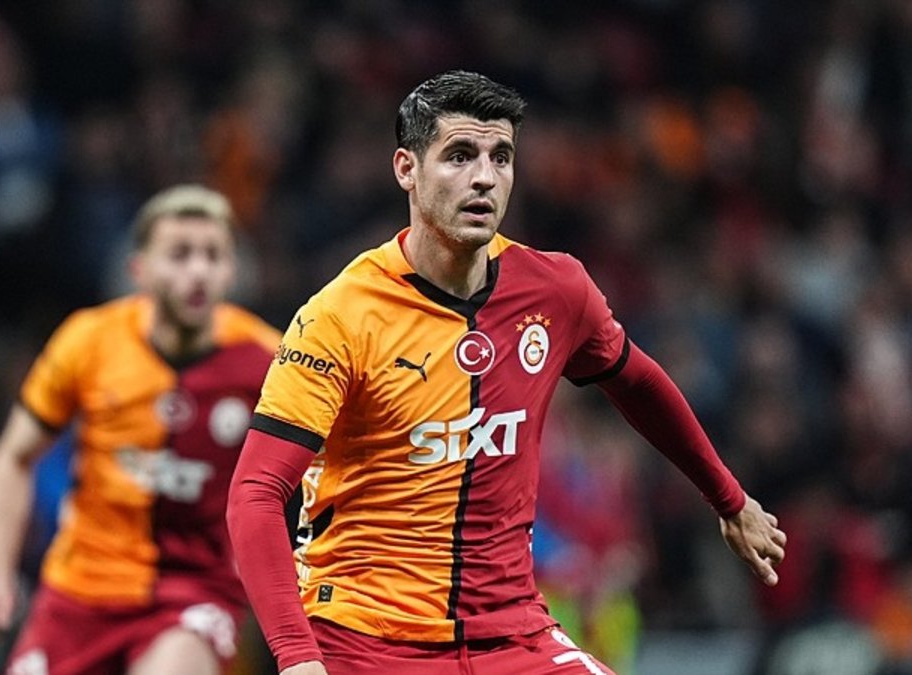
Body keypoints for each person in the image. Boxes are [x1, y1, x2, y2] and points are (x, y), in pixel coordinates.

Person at [225, 70, 787, 675]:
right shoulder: (339, 317)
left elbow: (639, 384)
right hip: (366, 639)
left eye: (501, 157)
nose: (484, 177)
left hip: (513, 635)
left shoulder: (555, 289)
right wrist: (297, 658)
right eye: (460, 155)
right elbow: (255, 493)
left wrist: (730, 501)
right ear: (406, 169)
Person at [0, 185, 281, 675]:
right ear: (139, 269)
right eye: (180, 254)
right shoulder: (88, 342)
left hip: (193, 589)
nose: (198, 270)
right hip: (80, 588)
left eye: (213, 255)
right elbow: (13, 457)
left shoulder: (267, 360)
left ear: (230, 270)